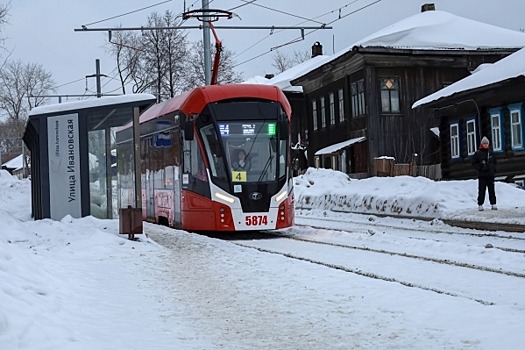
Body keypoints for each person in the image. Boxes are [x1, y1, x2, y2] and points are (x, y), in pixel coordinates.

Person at [472, 136, 497, 211]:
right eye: (484, 144)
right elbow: (473, 163)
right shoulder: (478, 153)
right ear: (481, 144)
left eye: (487, 144)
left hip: (490, 175)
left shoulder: (491, 153)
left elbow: (495, 162)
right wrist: (480, 167)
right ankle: (480, 204)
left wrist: (494, 170)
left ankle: (493, 203)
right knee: (482, 190)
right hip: (482, 175)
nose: (485, 145)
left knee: (491, 190)